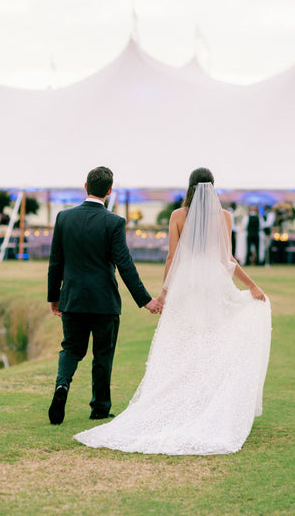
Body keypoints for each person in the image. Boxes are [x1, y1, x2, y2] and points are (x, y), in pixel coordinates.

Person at [74, 168, 271, 455]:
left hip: (185, 287)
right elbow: (227, 259)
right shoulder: (224, 217)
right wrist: (253, 286)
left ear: (189, 187)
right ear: (212, 187)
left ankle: (184, 401)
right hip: (214, 286)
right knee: (211, 342)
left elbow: (172, 257)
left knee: (182, 343)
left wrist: (164, 293)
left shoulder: (178, 216)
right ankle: (204, 403)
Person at [47, 167, 162, 425]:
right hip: (104, 302)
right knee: (103, 354)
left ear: (85, 186)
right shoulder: (114, 222)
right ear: (110, 191)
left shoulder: (64, 218)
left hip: (73, 298)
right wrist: (146, 300)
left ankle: (62, 386)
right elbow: (125, 265)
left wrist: (54, 297)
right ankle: (99, 407)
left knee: (71, 348)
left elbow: (55, 263)